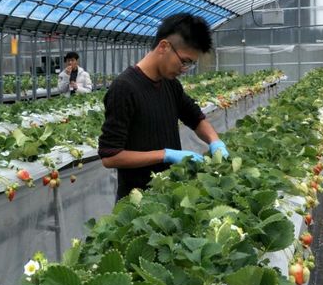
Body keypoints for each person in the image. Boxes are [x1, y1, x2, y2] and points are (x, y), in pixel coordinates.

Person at [98, 13, 229, 200]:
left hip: (170, 194)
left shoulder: (170, 84)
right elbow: (110, 157)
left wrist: (215, 141)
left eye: (191, 64)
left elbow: (196, 118)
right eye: (184, 61)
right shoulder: (125, 88)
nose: (185, 69)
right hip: (138, 202)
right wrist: (165, 155)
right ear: (164, 46)